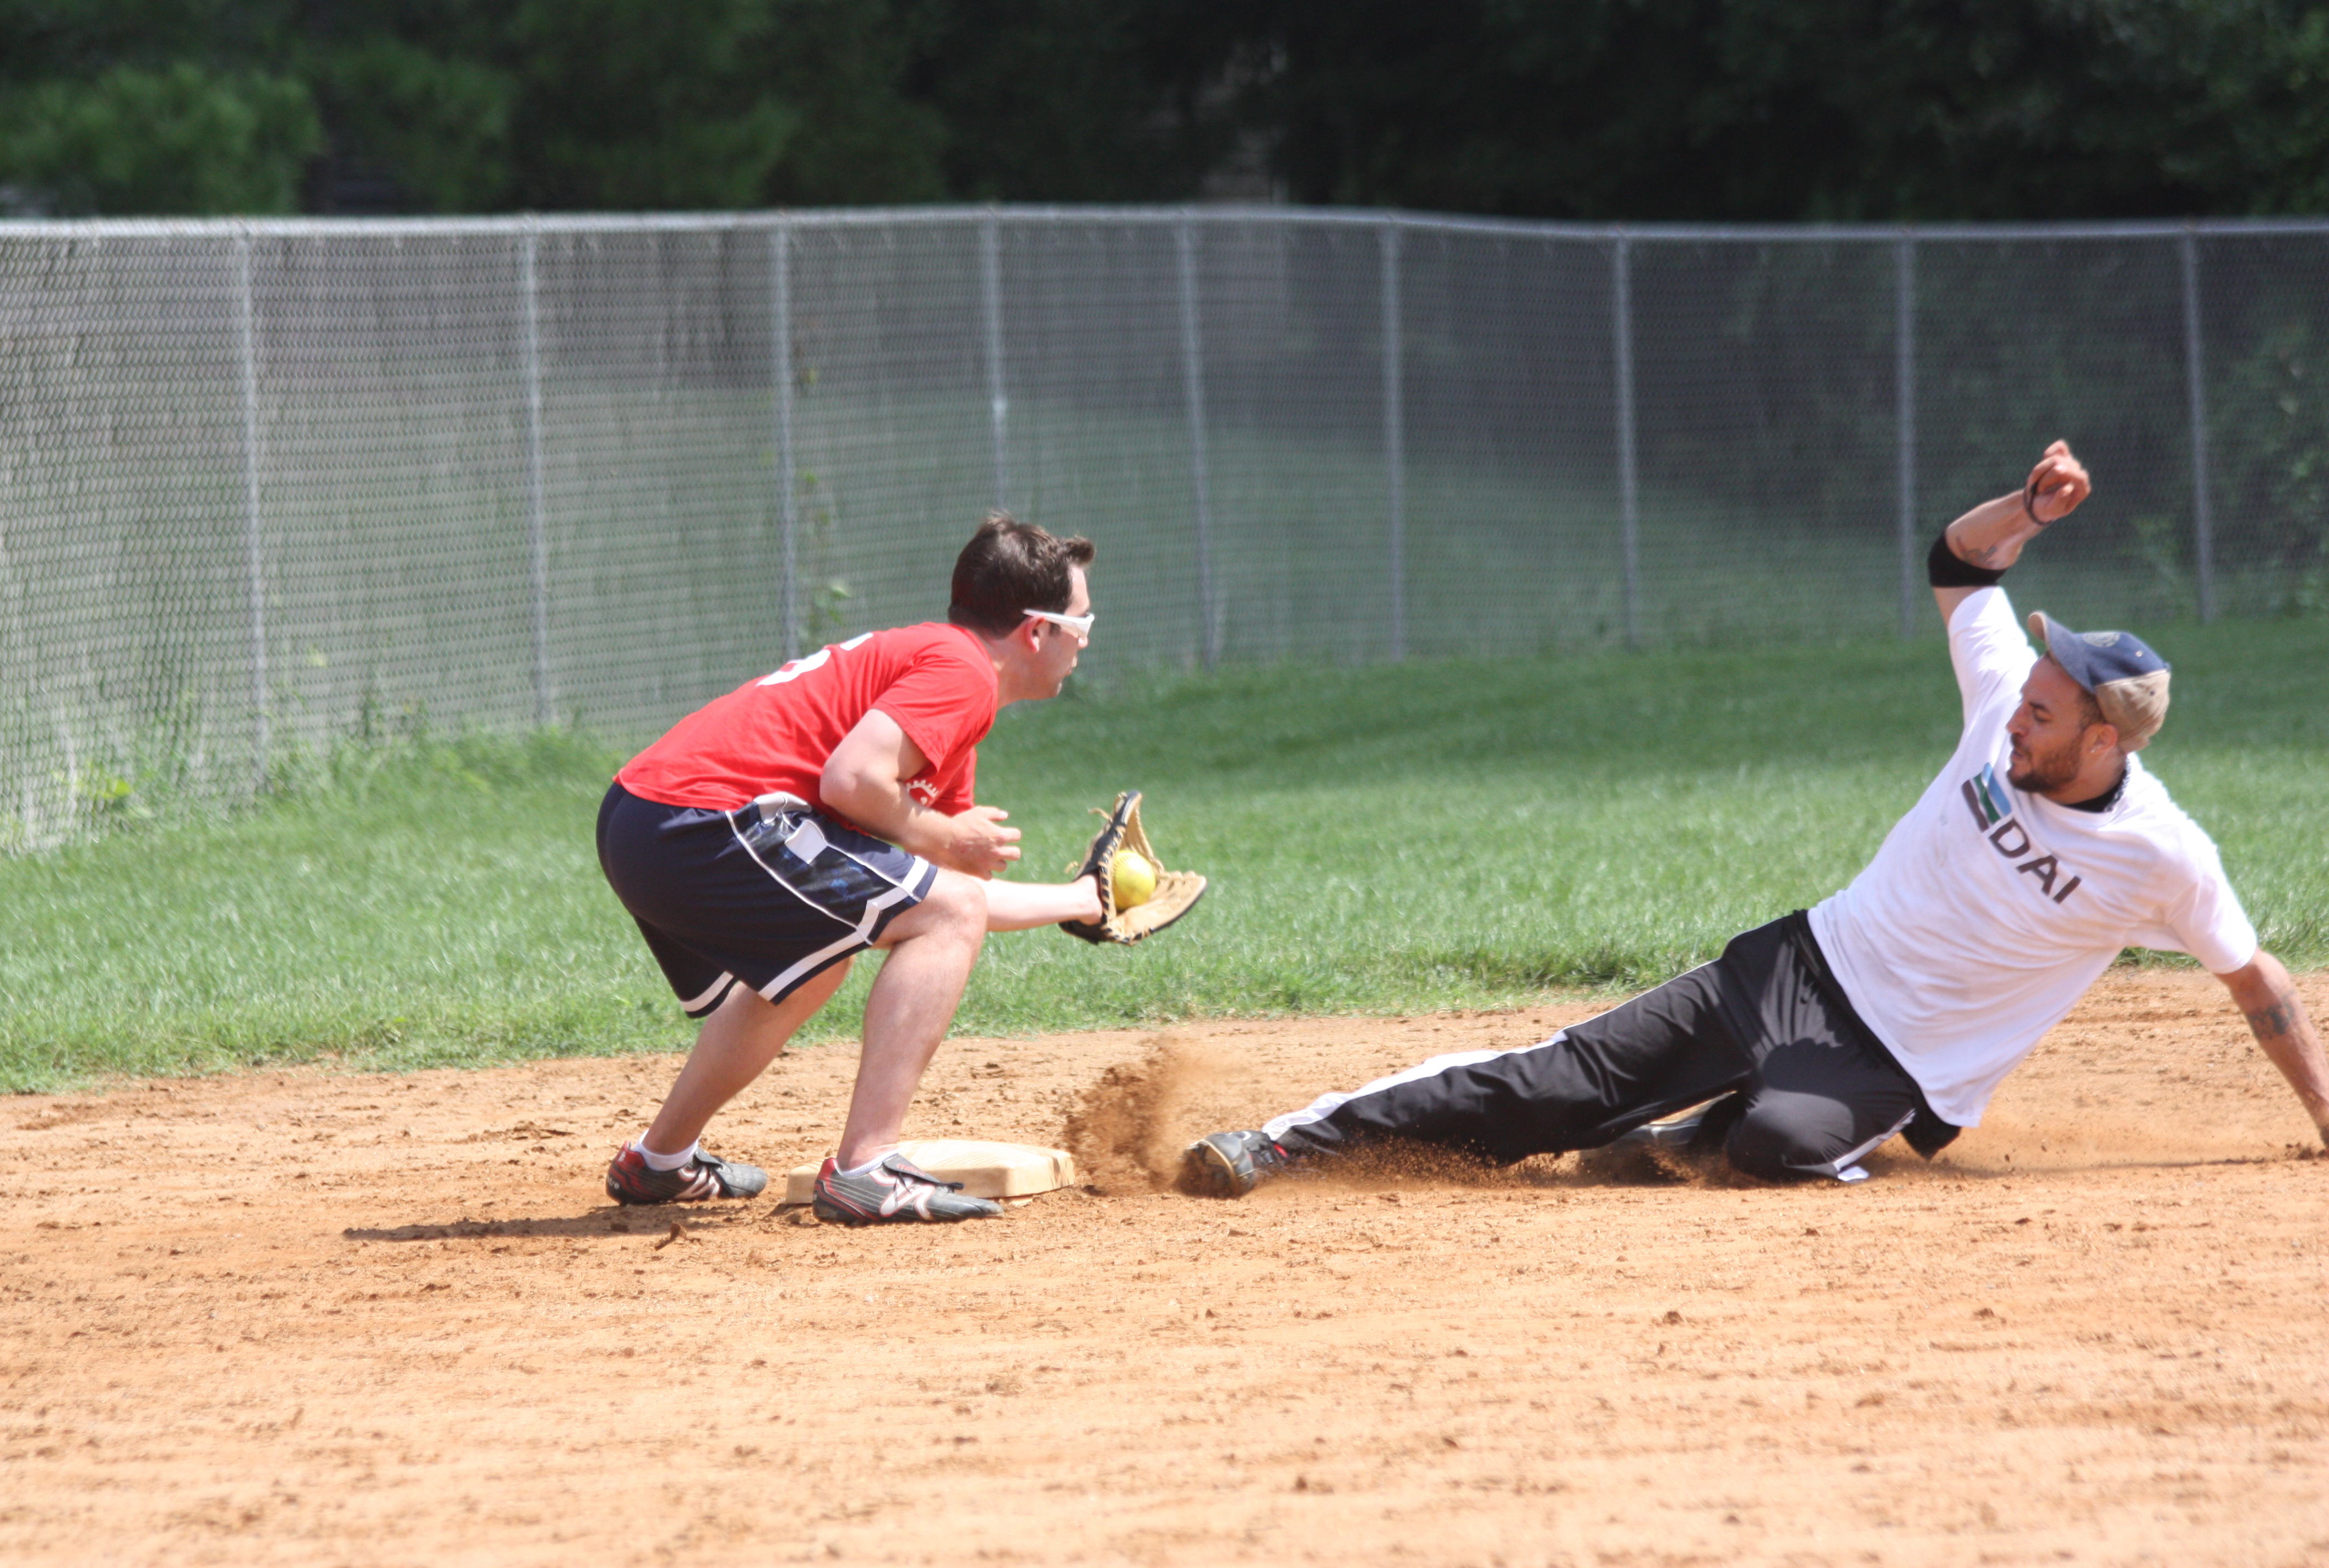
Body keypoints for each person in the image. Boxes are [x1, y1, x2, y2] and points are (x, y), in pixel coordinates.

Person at [1180, 442, 2329, 1196]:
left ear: (2106, 741)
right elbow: (1959, 560)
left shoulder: (2162, 855)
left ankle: (1689, 1140)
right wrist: (2027, 510)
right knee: (1557, 1083)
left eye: (2046, 713)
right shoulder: (1999, 709)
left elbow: (2258, 981)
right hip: (1802, 962)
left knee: (1771, 1146)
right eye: (2024, 699)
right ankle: (1284, 1141)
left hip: (1900, 1061)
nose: (2019, 719)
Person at [597, 515, 1114, 1224]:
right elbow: (852, 780)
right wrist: (936, 833)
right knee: (926, 919)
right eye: (1080, 624)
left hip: (647, 819)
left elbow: (958, 898)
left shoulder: (946, 696)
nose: (1084, 641)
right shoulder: (960, 669)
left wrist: (1084, 900)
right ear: (1036, 631)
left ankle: (657, 1163)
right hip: (703, 819)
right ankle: (866, 1169)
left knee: (818, 960)